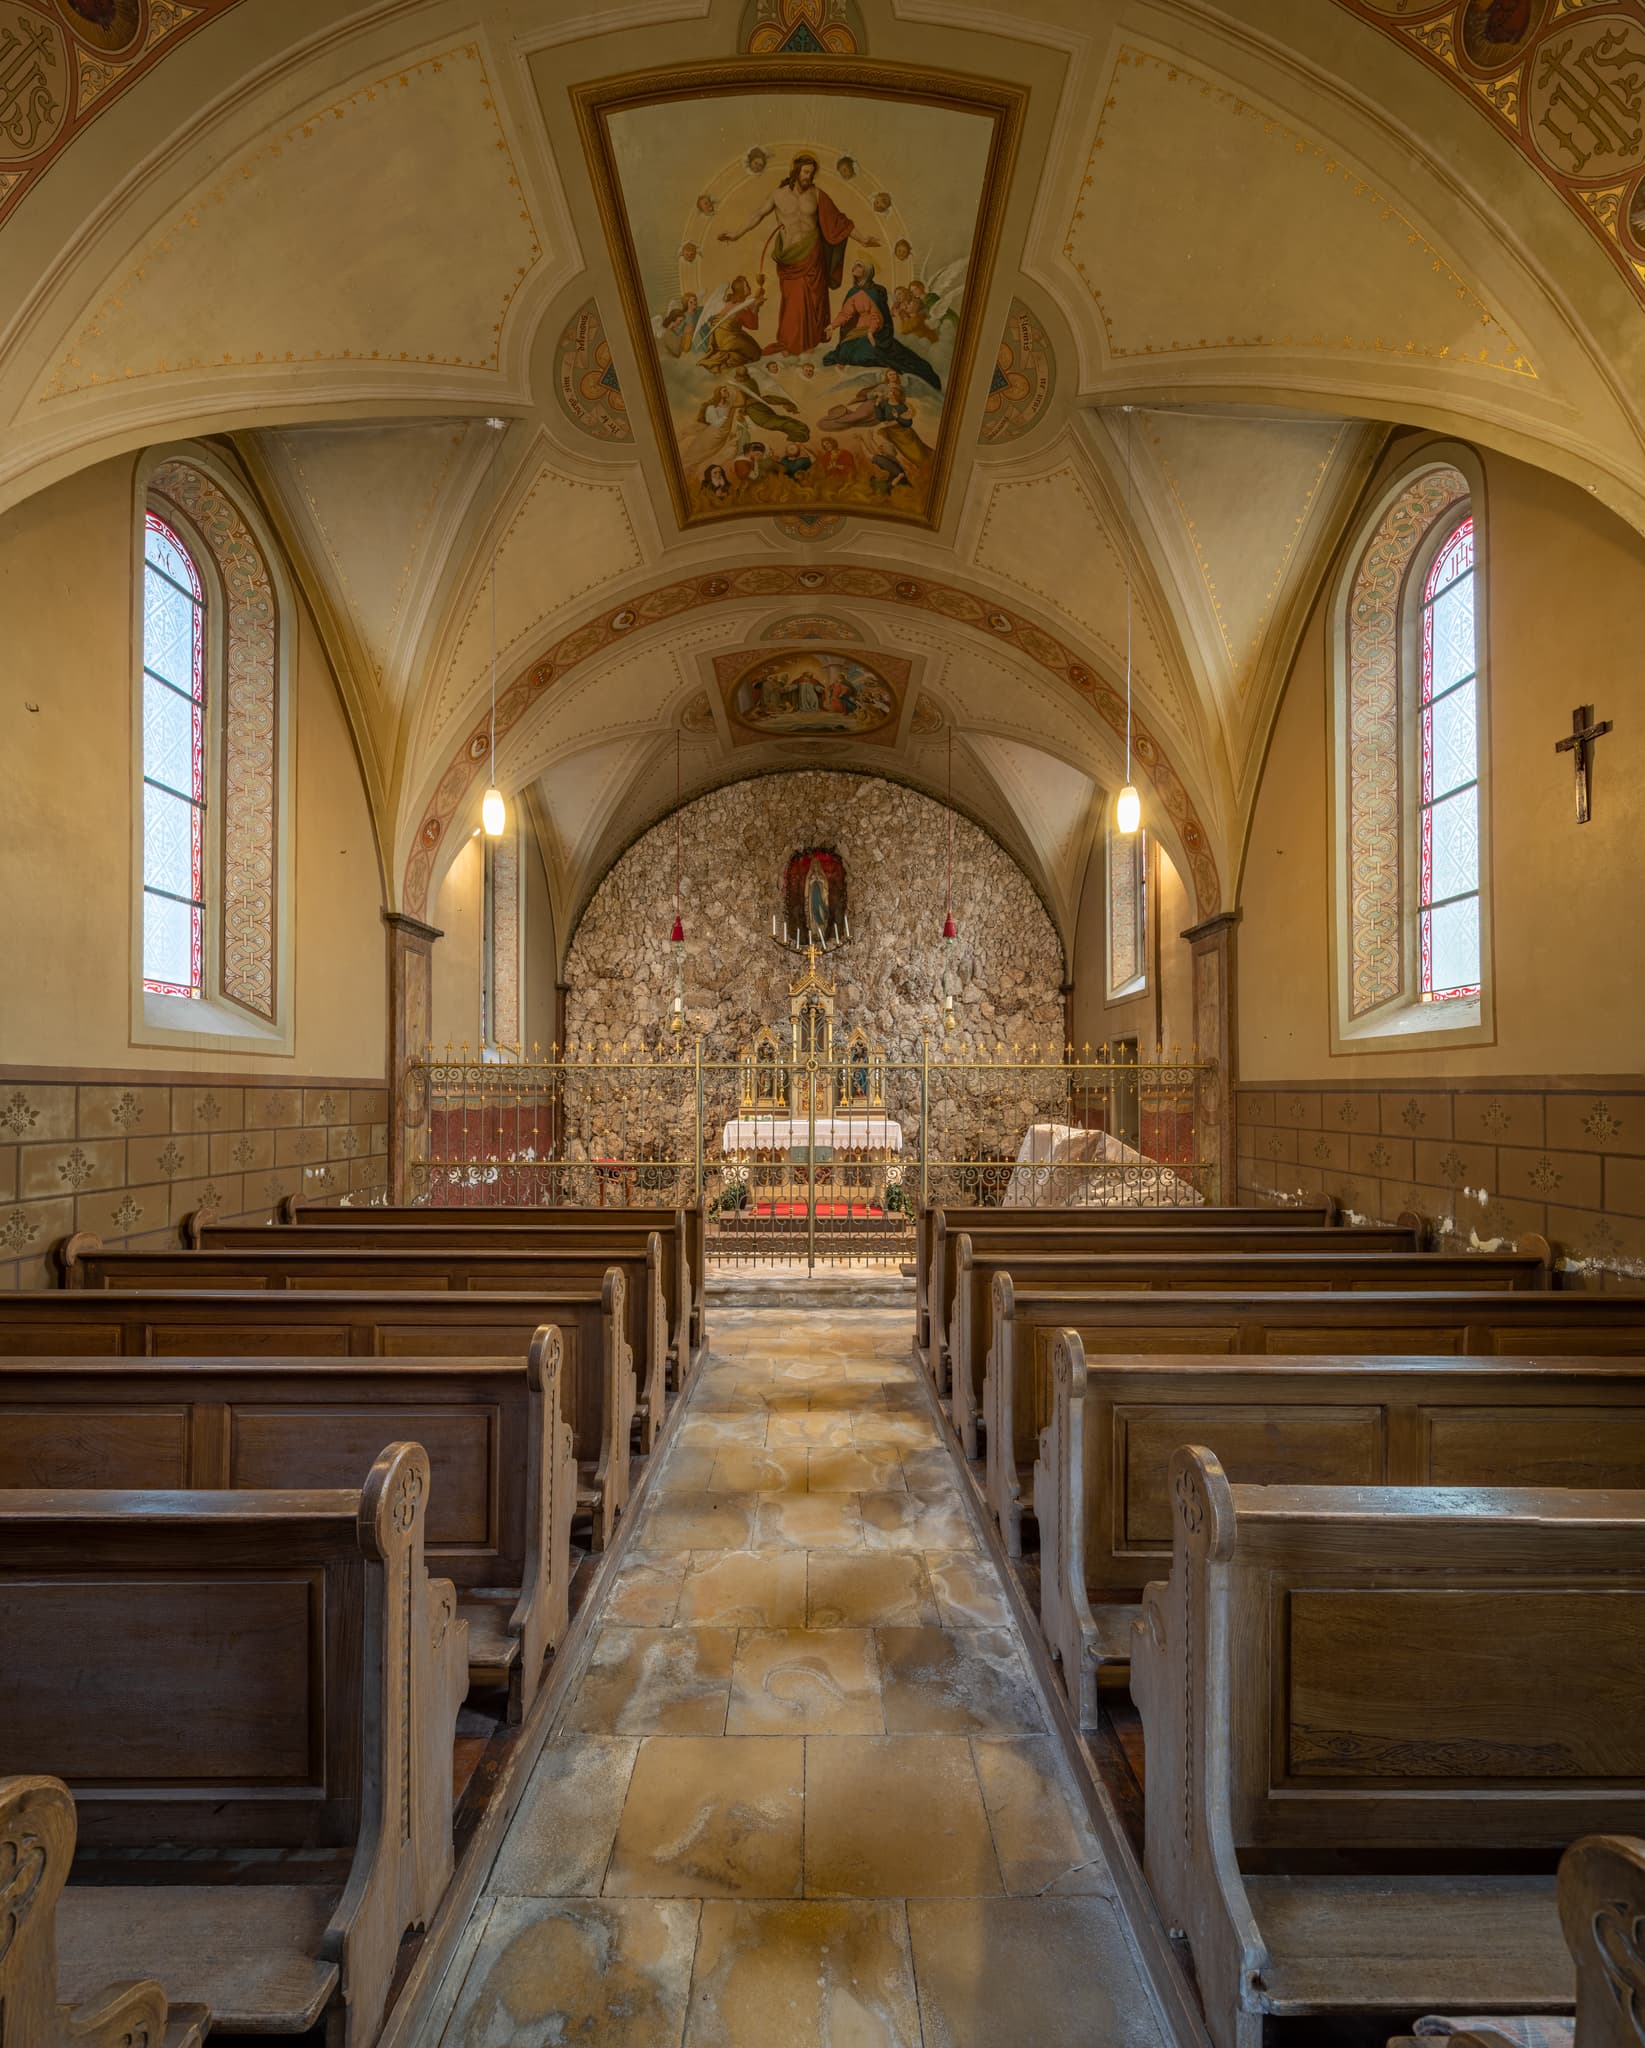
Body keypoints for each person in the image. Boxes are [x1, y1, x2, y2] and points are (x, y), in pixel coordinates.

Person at [716, 153, 878, 356]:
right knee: (793, 303)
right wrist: (736, 234)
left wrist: (862, 239)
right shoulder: (778, 195)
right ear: (796, 170)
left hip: (813, 254)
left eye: (811, 173)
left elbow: (839, 221)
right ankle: (789, 343)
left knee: (814, 301)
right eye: (805, 172)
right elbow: (758, 214)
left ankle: (810, 344)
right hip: (790, 259)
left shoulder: (816, 194)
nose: (808, 176)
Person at [821, 261, 942, 392]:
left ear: (867, 271)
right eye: (855, 265)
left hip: (875, 332)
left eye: (859, 266)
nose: (854, 267)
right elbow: (845, 314)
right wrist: (832, 326)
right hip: (856, 332)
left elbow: (877, 316)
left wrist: (871, 332)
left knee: (873, 353)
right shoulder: (853, 292)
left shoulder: (876, 292)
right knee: (845, 352)